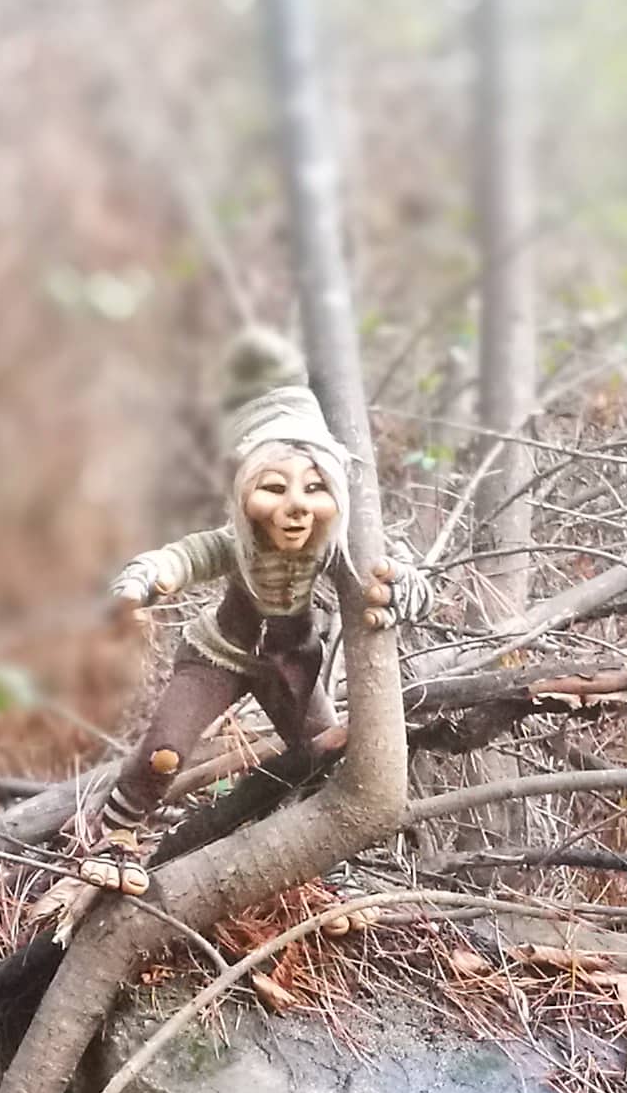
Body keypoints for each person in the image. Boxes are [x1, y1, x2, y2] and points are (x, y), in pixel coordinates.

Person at [62, 327, 425, 911]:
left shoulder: (334, 548)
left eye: (314, 488)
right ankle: (116, 839)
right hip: (218, 655)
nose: (295, 505)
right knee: (165, 753)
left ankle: (324, 867)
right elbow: (188, 555)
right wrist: (144, 579)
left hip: (292, 661)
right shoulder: (239, 543)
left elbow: (386, 574)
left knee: (322, 754)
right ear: (245, 490)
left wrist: (403, 587)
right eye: (274, 487)